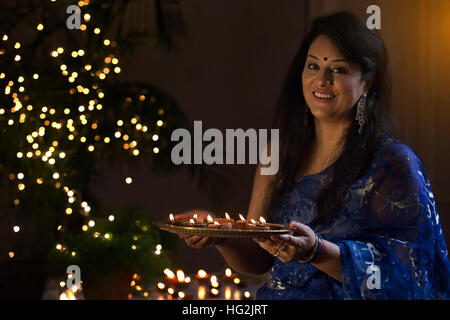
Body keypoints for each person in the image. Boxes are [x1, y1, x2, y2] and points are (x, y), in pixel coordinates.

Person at [176, 11, 450, 299]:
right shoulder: (278, 153)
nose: (322, 80)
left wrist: (317, 251)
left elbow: (407, 275)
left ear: (367, 82)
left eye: (339, 69)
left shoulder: (392, 162)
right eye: (313, 65)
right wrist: (222, 234)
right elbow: (259, 261)